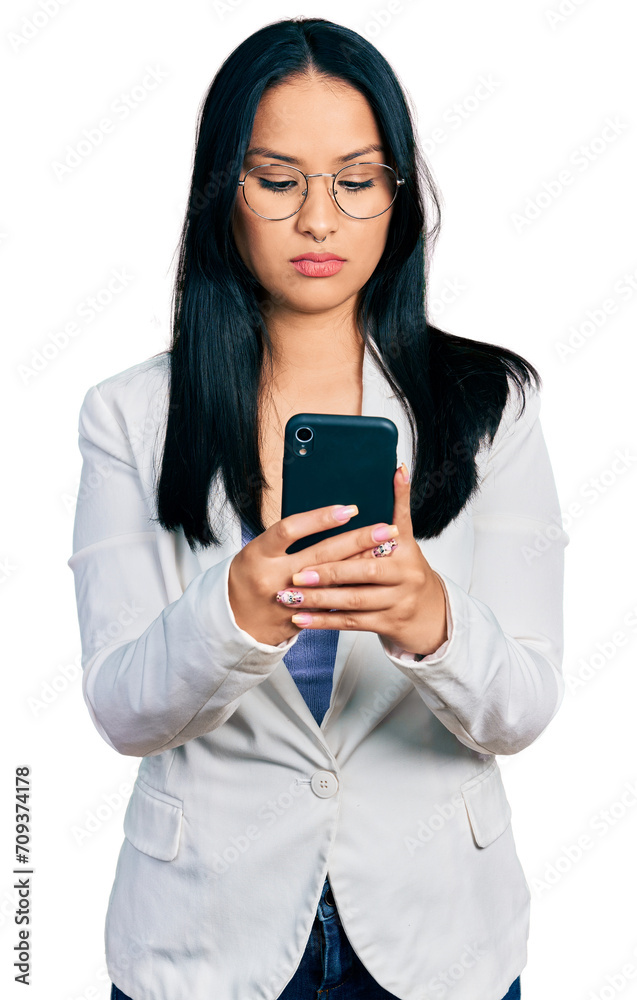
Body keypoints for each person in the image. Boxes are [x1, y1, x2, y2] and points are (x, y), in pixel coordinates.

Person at [67, 16, 568, 1000]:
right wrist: (233, 617)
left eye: (356, 178)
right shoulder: (126, 415)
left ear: (396, 194)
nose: (319, 221)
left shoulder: (490, 405)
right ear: (226, 192)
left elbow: (525, 703)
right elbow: (121, 705)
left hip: (439, 935)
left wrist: (432, 621)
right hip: (203, 937)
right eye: (277, 178)